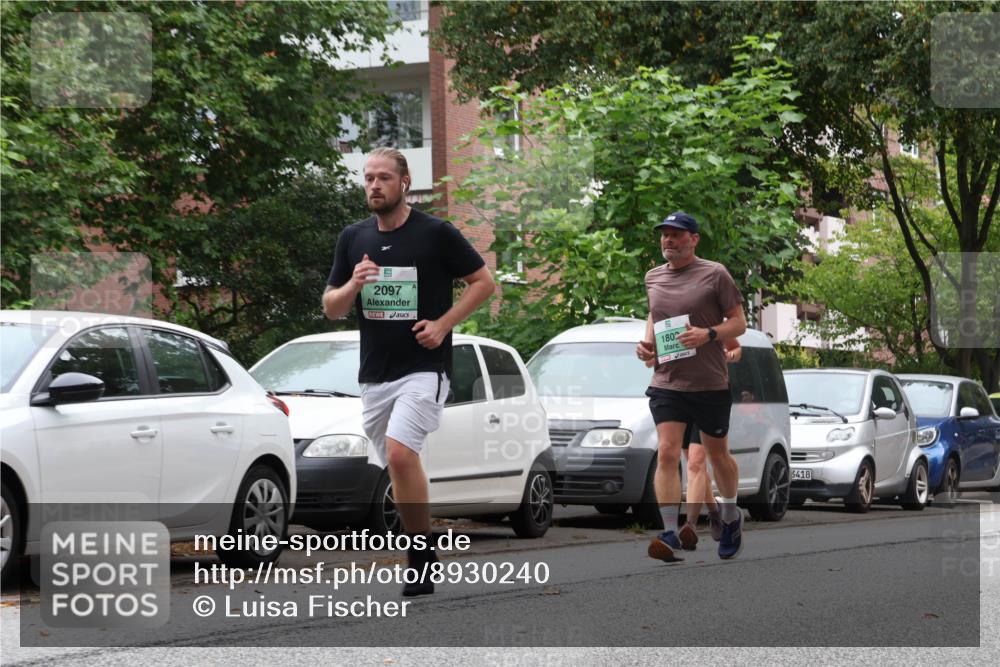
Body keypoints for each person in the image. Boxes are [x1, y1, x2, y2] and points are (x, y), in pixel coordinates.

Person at [323, 147, 495, 595]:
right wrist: (354, 283)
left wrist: (443, 325)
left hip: (424, 366)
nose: (374, 185)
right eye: (368, 178)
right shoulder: (353, 237)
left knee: (400, 454)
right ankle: (422, 546)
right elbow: (331, 307)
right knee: (396, 465)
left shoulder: (436, 233)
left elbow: (483, 282)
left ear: (404, 182)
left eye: (383, 177)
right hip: (375, 374)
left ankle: (418, 556)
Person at [636, 211, 747, 562]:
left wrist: (709, 334)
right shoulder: (653, 277)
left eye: (677, 234)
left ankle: (730, 517)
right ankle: (670, 531)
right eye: (664, 234)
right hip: (667, 381)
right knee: (668, 452)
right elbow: (655, 315)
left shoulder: (715, 274)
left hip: (709, 383)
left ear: (694, 239)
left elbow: (739, 323)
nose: (668, 239)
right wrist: (647, 344)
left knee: (718, 457)